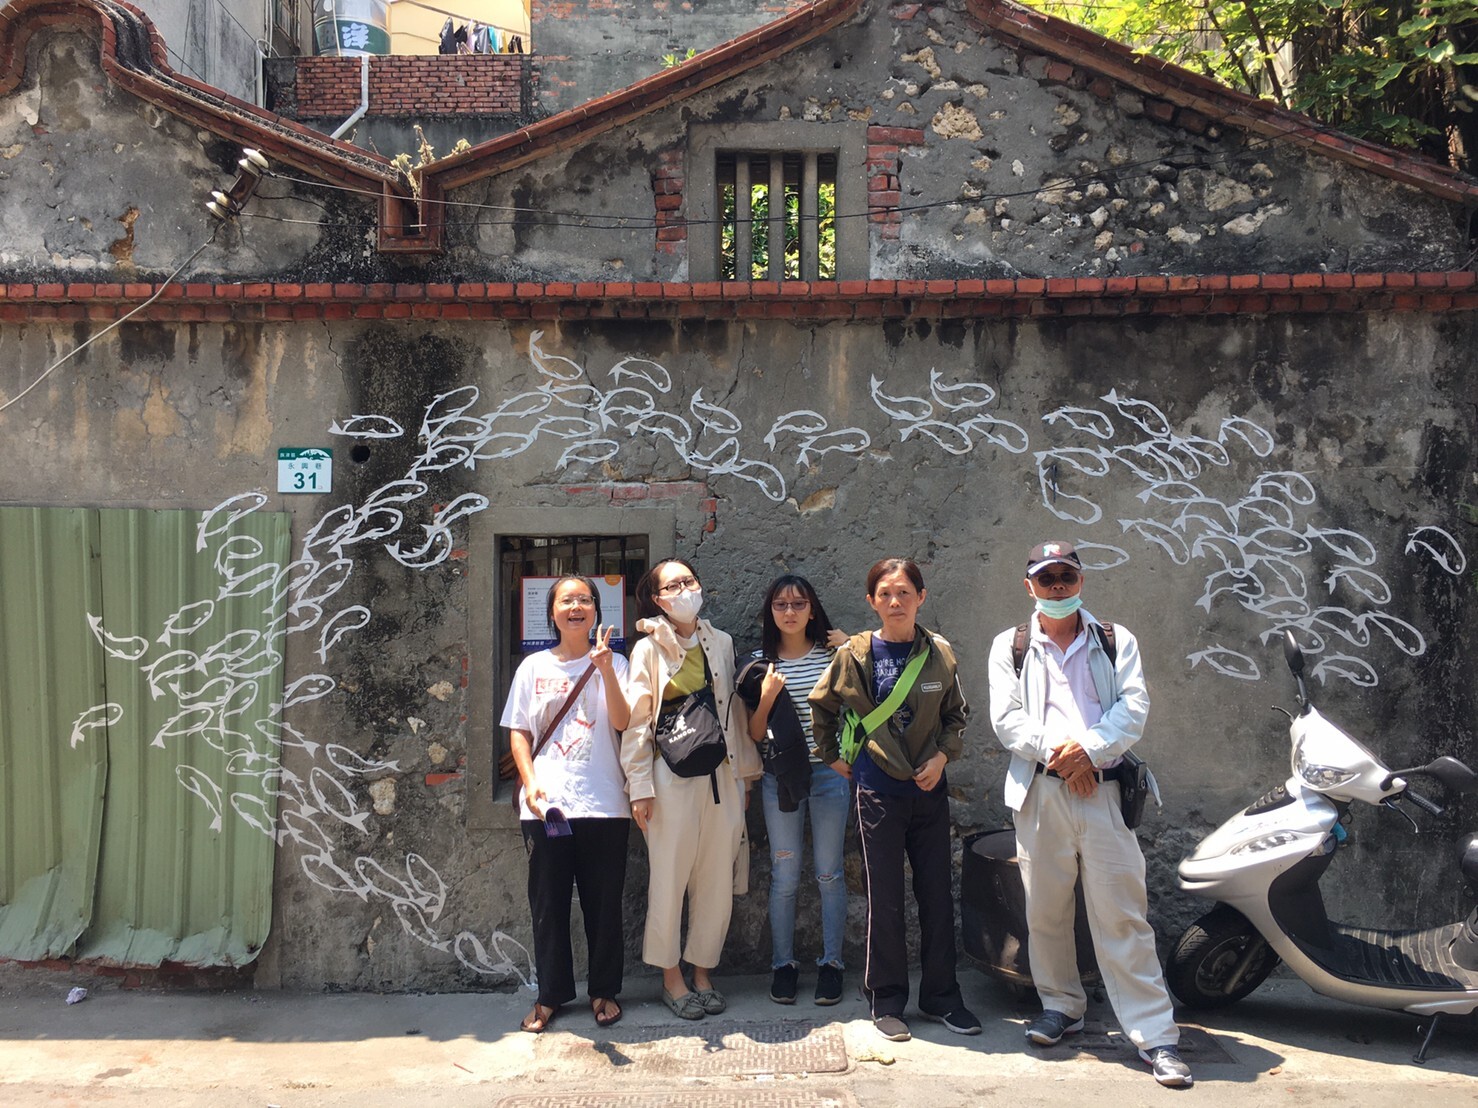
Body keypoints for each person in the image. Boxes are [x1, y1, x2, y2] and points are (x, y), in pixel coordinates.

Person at [987, 541, 1192, 1087]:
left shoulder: (1114, 640)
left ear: (1081, 582)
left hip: (1102, 791)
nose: (1057, 586)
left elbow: (1134, 708)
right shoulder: (1010, 645)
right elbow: (1007, 720)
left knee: (1122, 912)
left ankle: (1156, 1036)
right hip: (1042, 791)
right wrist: (1066, 753)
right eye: (1046, 578)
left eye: (1066, 577)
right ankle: (1061, 1006)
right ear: (1029, 585)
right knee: (1046, 911)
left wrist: (1088, 752)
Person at [809, 557, 979, 1042]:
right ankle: (886, 1000)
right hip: (878, 792)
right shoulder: (858, 654)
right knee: (884, 899)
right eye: (885, 593)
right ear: (872, 601)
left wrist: (943, 758)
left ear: (921, 597)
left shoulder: (939, 653)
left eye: (904, 592)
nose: (895, 601)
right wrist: (832, 757)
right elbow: (823, 705)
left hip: (929, 790)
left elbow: (956, 714)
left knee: (936, 896)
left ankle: (942, 997)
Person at [622, 558, 761, 1020]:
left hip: (722, 774)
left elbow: (733, 716)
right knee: (669, 878)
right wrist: (639, 786)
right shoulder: (647, 650)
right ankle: (671, 978)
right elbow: (638, 722)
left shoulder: (719, 641)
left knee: (716, 878)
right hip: (669, 780)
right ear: (658, 598)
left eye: (690, 581)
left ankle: (702, 971)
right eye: (673, 585)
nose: (684, 590)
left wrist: (744, 777)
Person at [501, 574, 631, 1034]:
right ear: (552, 612)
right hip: (546, 807)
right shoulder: (533, 667)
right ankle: (550, 994)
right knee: (548, 902)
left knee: (603, 904)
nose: (577, 607)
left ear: (597, 610)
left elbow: (622, 720)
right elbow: (518, 730)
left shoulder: (617, 661)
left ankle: (604, 991)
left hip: (605, 804)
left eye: (585, 600)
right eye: (566, 600)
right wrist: (530, 781)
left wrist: (607, 669)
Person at [739, 575, 851, 1006]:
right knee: (784, 874)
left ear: (812, 609)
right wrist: (766, 698)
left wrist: (847, 644)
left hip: (828, 776)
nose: (790, 612)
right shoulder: (759, 663)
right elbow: (753, 732)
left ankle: (832, 965)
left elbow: (868, 695)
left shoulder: (832, 655)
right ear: (770, 611)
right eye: (781, 605)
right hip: (779, 777)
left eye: (799, 604)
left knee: (829, 873)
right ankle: (783, 965)